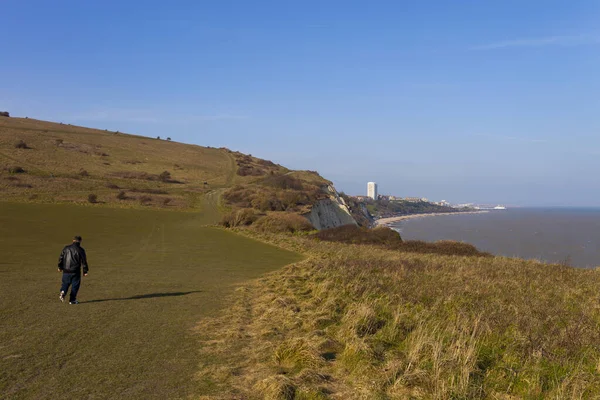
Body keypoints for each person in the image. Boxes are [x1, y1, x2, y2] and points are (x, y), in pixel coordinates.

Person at [57, 235, 89, 304]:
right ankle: (72, 300)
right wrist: (85, 271)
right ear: (80, 241)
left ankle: (63, 291)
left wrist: (60, 267)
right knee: (75, 285)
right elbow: (84, 261)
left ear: (73, 240)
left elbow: (61, 258)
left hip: (66, 270)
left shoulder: (66, 248)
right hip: (76, 271)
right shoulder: (81, 250)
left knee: (65, 283)